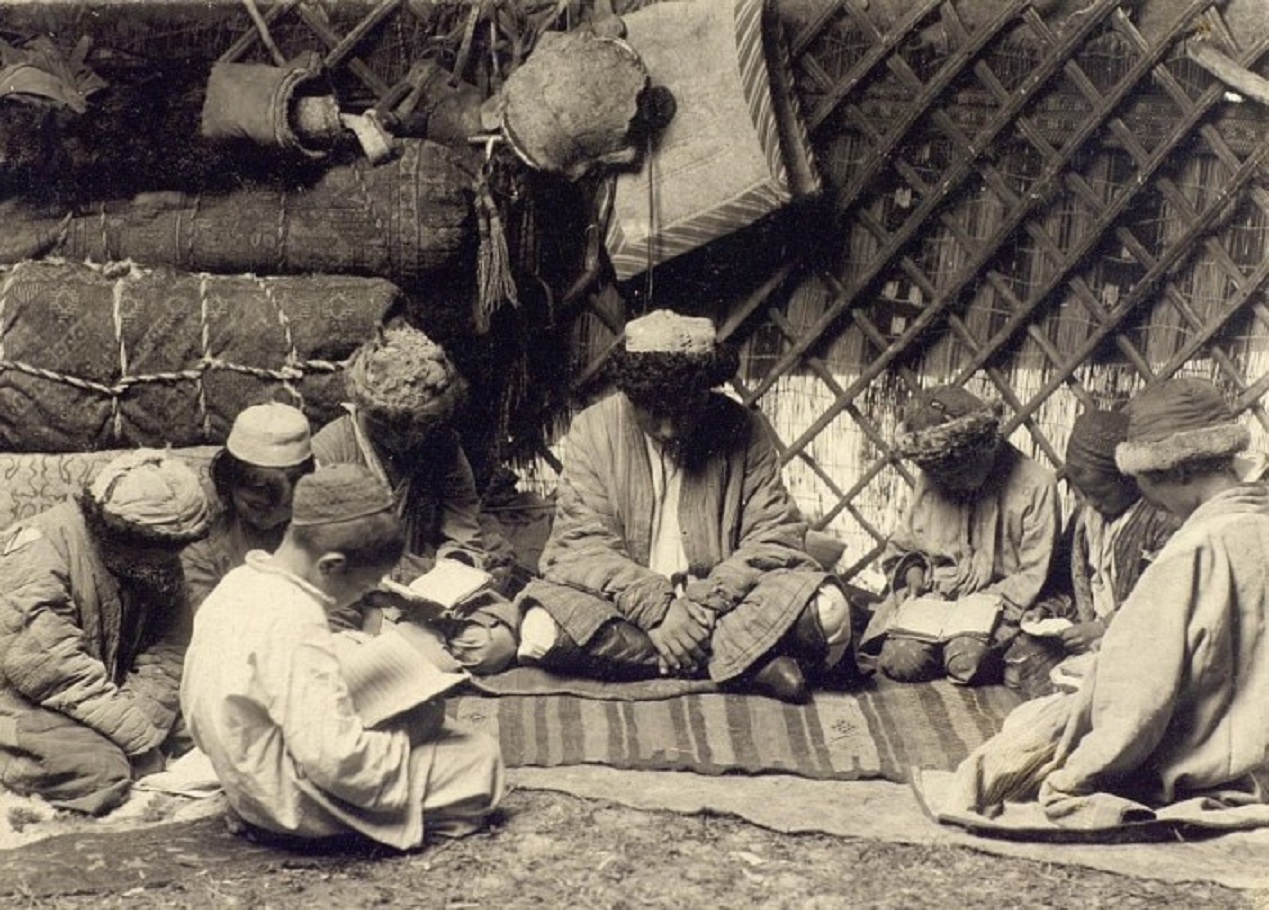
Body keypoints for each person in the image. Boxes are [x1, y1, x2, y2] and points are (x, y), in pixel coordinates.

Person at [945, 378, 1269, 826]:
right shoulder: (1257, 522)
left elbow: (1137, 700)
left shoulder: (1190, 552)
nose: (1148, 497)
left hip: (1206, 757)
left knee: (1035, 730)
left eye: (1145, 483)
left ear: (1177, 470)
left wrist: (1078, 769)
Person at [514, 309, 856, 704]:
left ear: (706, 392)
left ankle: (669, 660)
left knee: (830, 613)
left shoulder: (744, 428)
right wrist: (658, 612)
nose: (668, 429)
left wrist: (702, 604)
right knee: (538, 631)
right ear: (630, 395)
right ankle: (746, 666)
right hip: (626, 606)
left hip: (721, 605)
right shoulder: (592, 430)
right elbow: (582, 543)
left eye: (683, 410)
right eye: (653, 411)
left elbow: (773, 537)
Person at [182, 463, 505, 850]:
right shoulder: (296, 620)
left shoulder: (239, 583)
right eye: (365, 584)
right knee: (478, 758)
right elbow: (336, 762)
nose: (367, 593)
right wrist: (414, 729)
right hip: (280, 795)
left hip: (238, 769)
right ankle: (331, 832)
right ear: (331, 566)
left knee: (356, 653)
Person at [0, 450, 212, 815]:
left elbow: (170, 652)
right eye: (156, 548)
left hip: (108, 697)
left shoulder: (156, 557)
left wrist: (141, 724)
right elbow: (54, 672)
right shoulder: (38, 547)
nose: (167, 560)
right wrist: (141, 742)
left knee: (213, 730)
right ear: (111, 529)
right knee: (102, 769)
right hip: (27, 701)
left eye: (174, 548)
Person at [311, 323, 519, 675]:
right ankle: (395, 651)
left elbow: (463, 528)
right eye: (394, 429)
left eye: (418, 429)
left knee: (495, 645)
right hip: (361, 599)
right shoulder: (331, 450)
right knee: (335, 639)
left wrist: (455, 570)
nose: (409, 440)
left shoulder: (441, 444)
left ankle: (399, 655)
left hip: (431, 596)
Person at [859, 385, 1061, 685]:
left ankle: (959, 653)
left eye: (955, 469)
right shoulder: (933, 478)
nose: (946, 480)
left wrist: (981, 604)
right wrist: (913, 573)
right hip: (932, 601)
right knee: (900, 661)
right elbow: (905, 544)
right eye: (940, 473)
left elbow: (1033, 574)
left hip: (996, 608)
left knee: (966, 661)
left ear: (983, 448)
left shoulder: (1036, 485)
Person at [1003, 409, 1181, 698]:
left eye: (1100, 493)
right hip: (1087, 631)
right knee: (1022, 658)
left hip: (1131, 637)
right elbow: (1065, 584)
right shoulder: (1086, 517)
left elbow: (1159, 601)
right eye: (1082, 492)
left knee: (1115, 685)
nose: (1090, 502)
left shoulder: (1160, 520)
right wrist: (1048, 612)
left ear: (1129, 481)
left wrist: (1102, 628)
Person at [182, 401, 316, 614]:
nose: (270, 518)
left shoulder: (320, 528)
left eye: (286, 506)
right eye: (255, 506)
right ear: (230, 485)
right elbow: (206, 615)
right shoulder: (204, 541)